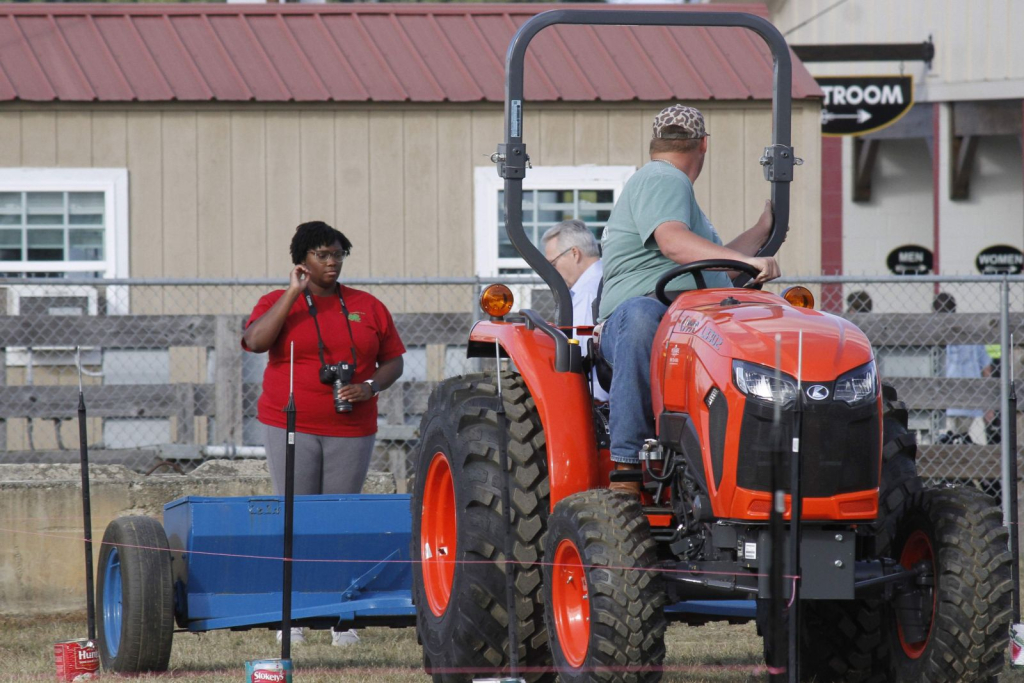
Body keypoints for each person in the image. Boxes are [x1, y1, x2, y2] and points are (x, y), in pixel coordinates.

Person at [597, 104, 780, 495]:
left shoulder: (667, 188)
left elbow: (717, 269)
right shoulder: (663, 178)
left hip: (685, 317)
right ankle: (627, 467)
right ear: (704, 145)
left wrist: (761, 231)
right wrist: (751, 261)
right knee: (643, 314)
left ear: (655, 142)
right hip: (638, 323)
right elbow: (673, 243)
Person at [242, 221, 406, 645]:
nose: (332, 262)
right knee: (295, 517)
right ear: (302, 261)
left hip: (351, 426)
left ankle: (340, 615)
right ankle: (292, 615)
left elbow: (394, 361)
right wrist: (292, 294)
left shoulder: (367, 306)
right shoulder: (276, 301)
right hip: (289, 422)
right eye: (322, 255)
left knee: (340, 518)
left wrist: (369, 386)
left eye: (338, 254)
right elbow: (256, 341)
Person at [541, 219, 608, 402]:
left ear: (574, 253)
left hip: (593, 398)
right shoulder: (605, 279)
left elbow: (579, 355)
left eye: (553, 264)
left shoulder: (587, 294)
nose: (552, 273)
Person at [933, 292, 992, 444]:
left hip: (942, 398)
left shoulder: (934, 334)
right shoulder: (971, 332)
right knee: (962, 438)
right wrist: (988, 402)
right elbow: (986, 368)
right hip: (970, 398)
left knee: (945, 440)